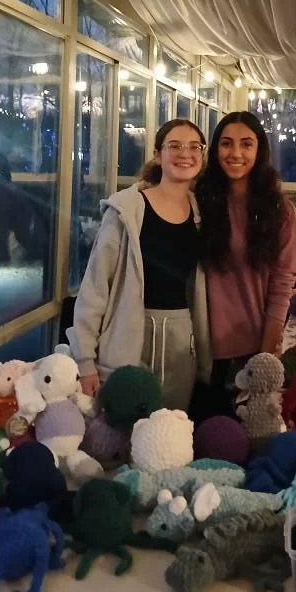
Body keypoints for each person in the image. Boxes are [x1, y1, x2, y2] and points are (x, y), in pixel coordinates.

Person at [67, 119, 212, 409]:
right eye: (174, 146)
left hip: (181, 345)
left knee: (170, 429)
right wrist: (85, 360)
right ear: (157, 155)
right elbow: (95, 287)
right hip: (127, 336)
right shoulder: (126, 212)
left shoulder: (202, 215)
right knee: (122, 427)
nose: (185, 153)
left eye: (194, 146)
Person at [194, 111, 296, 417]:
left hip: (248, 352)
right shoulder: (199, 201)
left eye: (246, 144)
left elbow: (282, 288)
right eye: (226, 143)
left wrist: (264, 358)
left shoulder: (279, 212)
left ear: (259, 150)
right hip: (195, 349)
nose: (236, 153)